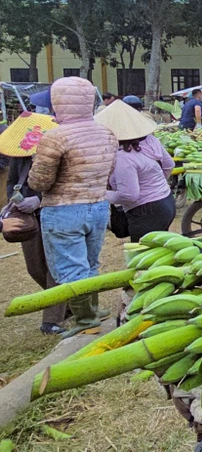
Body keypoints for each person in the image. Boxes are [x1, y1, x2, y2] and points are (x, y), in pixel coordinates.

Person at [28, 77, 118, 338]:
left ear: (58, 104)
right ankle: (94, 309)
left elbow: (40, 181)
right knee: (90, 263)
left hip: (64, 210)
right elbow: (109, 171)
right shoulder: (107, 133)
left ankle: (86, 320)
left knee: (70, 268)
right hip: (98, 207)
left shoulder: (54, 138)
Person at [0, 112, 65, 334]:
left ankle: (52, 319)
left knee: (55, 266)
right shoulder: (18, 154)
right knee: (35, 267)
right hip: (25, 215)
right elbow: (11, 181)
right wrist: (13, 202)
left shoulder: (56, 151)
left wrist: (38, 199)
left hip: (53, 210)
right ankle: (68, 305)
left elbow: (62, 183)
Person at [96, 100, 175, 242]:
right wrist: (155, 184)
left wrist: (101, 193)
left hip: (147, 211)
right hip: (166, 201)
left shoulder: (123, 158)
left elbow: (129, 195)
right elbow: (169, 165)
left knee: (144, 258)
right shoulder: (150, 141)